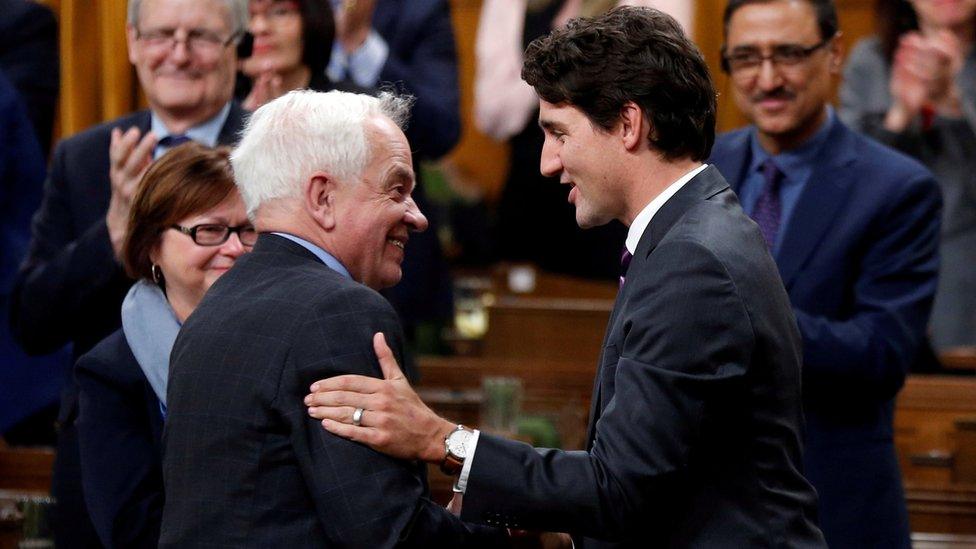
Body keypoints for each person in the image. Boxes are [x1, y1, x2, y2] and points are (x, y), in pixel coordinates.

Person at [305, 8, 826, 547]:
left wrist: (443, 439)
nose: (547, 163)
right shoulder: (692, 233)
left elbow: (618, 487)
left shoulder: (693, 261)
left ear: (628, 124)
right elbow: (655, 477)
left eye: (558, 133)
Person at [161, 90, 506, 547]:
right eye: (397, 189)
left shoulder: (217, 304)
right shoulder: (337, 311)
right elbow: (386, 537)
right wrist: (512, 535)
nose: (418, 217)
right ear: (323, 197)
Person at [8, 0, 249, 544]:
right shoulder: (84, 156)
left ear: (239, 45)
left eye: (202, 37)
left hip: (244, 455)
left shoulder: (274, 151)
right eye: (162, 34)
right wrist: (114, 236)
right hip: (100, 464)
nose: (179, 54)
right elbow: (31, 320)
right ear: (134, 43)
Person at [708, 0, 942, 546]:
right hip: (707, 509)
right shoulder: (700, 167)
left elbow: (881, 352)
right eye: (746, 58)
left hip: (831, 507)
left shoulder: (897, 189)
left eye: (788, 54)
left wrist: (736, 319)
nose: (767, 79)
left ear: (834, 53)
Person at [75, 143, 253, 549]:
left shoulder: (292, 338)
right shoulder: (111, 372)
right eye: (209, 230)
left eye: (249, 229)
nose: (234, 248)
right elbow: (131, 530)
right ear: (153, 245)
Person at [840, 0, 976, 352]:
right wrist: (899, 115)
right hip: (880, 272)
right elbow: (847, 184)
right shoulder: (870, 58)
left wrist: (953, 108)